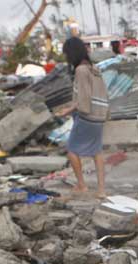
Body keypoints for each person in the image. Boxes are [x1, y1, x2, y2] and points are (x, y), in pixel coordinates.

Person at [53, 37, 109, 198]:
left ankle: (82, 185)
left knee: (72, 150)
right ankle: (101, 190)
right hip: (99, 116)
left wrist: (67, 110)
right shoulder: (94, 69)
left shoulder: (81, 71)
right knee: (97, 152)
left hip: (87, 116)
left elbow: (83, 98)